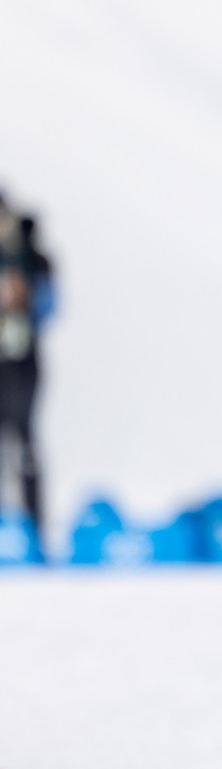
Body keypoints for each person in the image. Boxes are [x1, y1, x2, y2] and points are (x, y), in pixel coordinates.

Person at [0, 208, 55, 536]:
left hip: (22, 365)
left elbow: (51, 306)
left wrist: (26, 299)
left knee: (24, 441)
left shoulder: (31, 259)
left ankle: (33, 530)